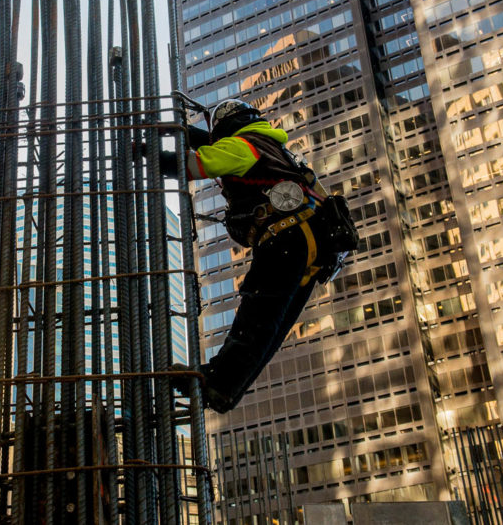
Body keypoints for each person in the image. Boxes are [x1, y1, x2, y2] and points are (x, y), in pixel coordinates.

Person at [151, 99, 357, 413]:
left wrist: (146, 155)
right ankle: (225, 386)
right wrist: (182, 131)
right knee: (270, 326)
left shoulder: (244, 146)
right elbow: (214, 143)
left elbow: (192, 165)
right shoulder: (273, 146)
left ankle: (219, 382)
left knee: (256, 316)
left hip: (286, 236)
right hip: (313, 246)